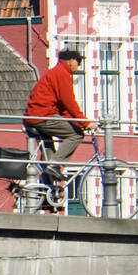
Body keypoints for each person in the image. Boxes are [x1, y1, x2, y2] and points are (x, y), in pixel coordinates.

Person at [24, 47, 94, 189]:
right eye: (78, 61)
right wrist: (85, 123)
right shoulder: (61, 74)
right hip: (42, 115)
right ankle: (55, 165)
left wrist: (78, 122)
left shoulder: (57, 73)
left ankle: (46, 194)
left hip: (36, 115)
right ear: (70, 61)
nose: (79, 65)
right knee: (76, 135)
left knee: (48, 154)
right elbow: (69, 102)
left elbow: (63, 107)